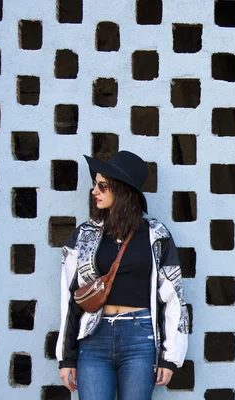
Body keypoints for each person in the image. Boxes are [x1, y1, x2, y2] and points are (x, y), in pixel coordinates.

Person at [56, 150, 189, 399]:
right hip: (94, 338)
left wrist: (169, 358)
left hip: (140, 337)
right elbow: (69, 298)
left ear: (122, 190)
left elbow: (174, 298)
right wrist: (66, 358)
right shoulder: (84, 235)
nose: (94, 191)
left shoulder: (157, 236)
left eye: (102, 186)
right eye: (95, 184)